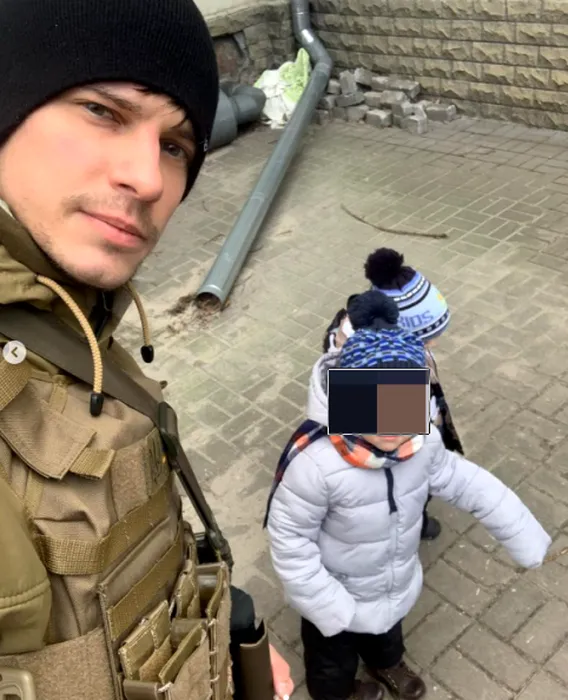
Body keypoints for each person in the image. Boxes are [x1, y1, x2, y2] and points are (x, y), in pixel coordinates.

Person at [0, 2, 271, 699]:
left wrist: (217, 651)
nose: (149, 179)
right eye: (102, 110)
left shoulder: (71, 317)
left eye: (175, 145)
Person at [266, 291, 551, 700]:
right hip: (335, 593)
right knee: (332, 659)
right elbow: (290, 541)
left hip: (393, 580)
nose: (388, 424)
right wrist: (328, 606)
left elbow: (467, 482)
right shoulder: (315, 465)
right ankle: (337, 691)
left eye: (399, 404)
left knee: (387, 633)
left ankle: (386, 663)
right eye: (369, 404)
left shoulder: (422, 442)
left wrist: (522, 532)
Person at [322, 248, 463, 540]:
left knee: (410, 481)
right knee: (399, 483)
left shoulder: (387, 343)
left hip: (408, 418)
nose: (434, 344)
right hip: (386, 437)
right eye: (428, 339)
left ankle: (413, 517)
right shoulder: (358, 364)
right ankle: (404, 522)